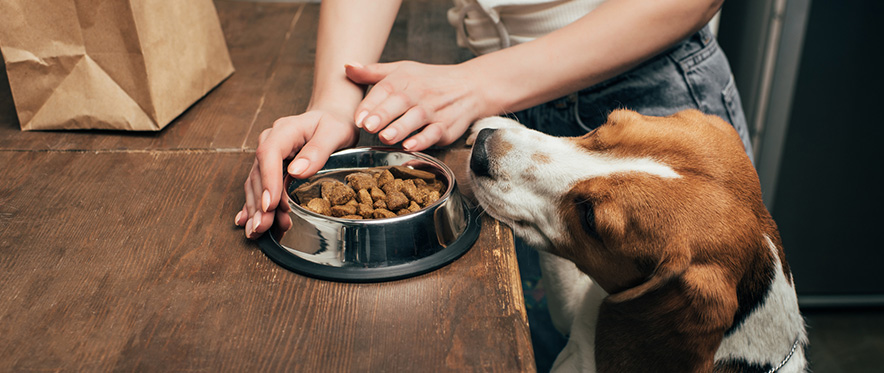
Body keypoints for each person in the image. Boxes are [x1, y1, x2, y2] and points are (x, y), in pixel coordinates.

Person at [235, 0, 752, 369]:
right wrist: (333, 102)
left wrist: (475, 83)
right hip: (490, 97)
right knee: (536, 348)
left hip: (640, 99)